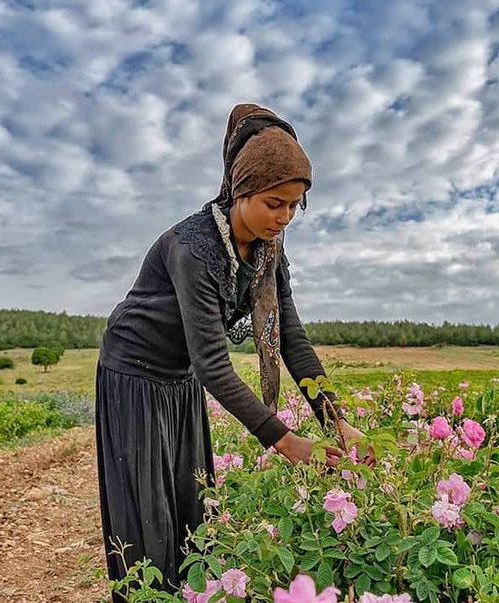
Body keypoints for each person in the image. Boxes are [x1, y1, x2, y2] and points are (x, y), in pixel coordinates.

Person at [95, 103, 369, 598]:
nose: (283, 219)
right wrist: (285, 441)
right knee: (146, 516)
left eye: (293, 206)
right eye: (273, 203)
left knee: (192, 506)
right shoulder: (192, 247)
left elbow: (292, 338)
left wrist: (336, 420)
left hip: (180, 380)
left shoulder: (268, 251)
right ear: (241, 191)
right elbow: (214, 365)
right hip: (133, 373)